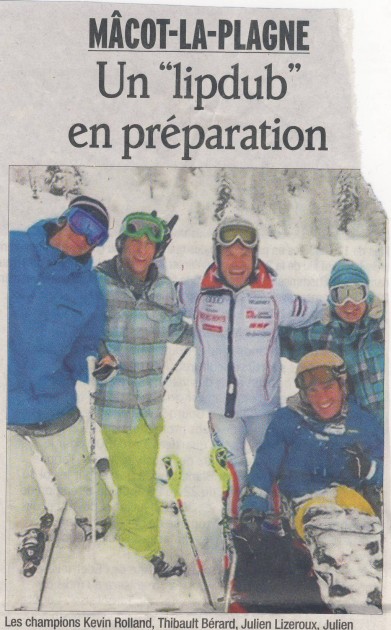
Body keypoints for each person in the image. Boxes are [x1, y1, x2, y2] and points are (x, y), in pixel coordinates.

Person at [177, 213, 323, 519]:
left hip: (262, 406)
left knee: (270, 471)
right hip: (219, 407)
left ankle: (272, 530)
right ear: (217, 255)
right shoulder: (196, 291)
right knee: (233, 474)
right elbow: (155, 294)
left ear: (255, 257)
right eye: (230, 253)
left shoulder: (275, 293)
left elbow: (317, 312)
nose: (238, 261)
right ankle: (238, 531)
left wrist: (362, 307)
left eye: (245, 253)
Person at [8, 195, 112, 577]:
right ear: (65, 216)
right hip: (6, 398)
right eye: (82, 223)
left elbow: (87, 343)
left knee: (74, 472)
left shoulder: (88, 290)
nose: (84, 238)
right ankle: (31, 524)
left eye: (96, 235)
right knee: (11, 476)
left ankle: (97, 516)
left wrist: (98, 362)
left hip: (53, 399)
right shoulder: (13, 246)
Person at [237, 351, 383, 613]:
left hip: (356, 506)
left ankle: (365, 602)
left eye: (328, 387)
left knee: (364, 543)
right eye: (312, 391)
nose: (322, 398)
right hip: (308, 505)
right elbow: (264, 466)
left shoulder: (364, 423)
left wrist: (369, 468)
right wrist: (253, 508)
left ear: (342, 385)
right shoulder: (288, 421)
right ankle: (352, 604)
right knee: (332, 539)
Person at [94, 211, 193, 578]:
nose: (141, 249)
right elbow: (82, 325)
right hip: (117, 404)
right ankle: (140, 548)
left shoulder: (163, 287)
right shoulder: (99, 283)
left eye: (149, 243)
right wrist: (98, 349)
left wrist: (216, 336)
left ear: (158, 249)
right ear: (121, 244)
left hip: (151, 404)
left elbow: (174, 329)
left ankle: (120, 507)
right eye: (134, 241)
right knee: (136, 483)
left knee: (136, 470)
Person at [279, 258, 384, 423]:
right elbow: (276, 339)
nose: (349, 304)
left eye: (356, 293)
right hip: (358, 432)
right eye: (339, 295)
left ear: (367, 294)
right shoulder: (323, 334)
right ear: (330, 299)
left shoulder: (384, 324)